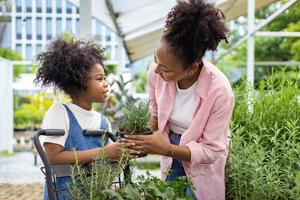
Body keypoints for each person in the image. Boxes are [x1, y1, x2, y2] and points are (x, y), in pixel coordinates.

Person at [123, 0, 234, 199]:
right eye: (156, 60)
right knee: (168, 194)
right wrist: (141, 136)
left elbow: (212, 151)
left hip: (201, 157)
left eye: (165, 68)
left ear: (192, 67)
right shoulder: (156, 72)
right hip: (169, 143)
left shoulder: (219, 91)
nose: (156, 69)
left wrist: (167, 149)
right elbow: (156, 113)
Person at [34, 37, 137, 200]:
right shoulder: (59, 112)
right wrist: (104, 152)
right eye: (99, 78)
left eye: (105, 78)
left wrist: (125, 152)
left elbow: (110, 164)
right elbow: (53, 157)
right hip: (64, 194)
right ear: (78, 82)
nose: (106, 84)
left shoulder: (103, 121)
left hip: (97, 194)